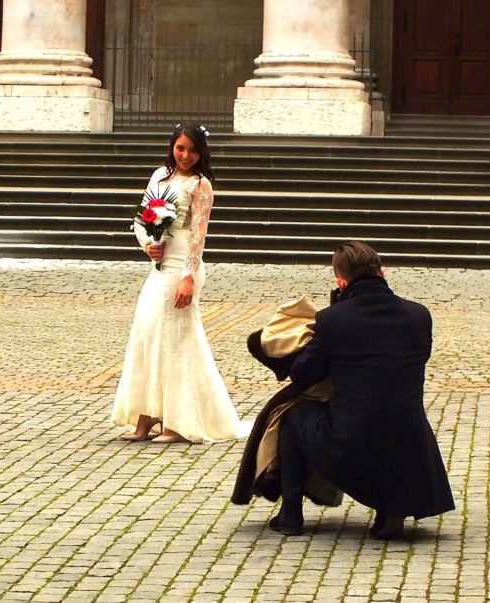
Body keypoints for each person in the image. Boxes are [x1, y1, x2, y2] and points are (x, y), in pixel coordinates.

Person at [269, 241, 454, 538]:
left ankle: (291, 513)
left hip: (352, 439)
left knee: (292, 414)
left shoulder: (333, 320)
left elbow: (303, 374)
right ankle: (391, 510)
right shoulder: (418, 315)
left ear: (341, 282)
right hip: (410, 440)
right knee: (388, 413)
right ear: (382, 272)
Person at [111, 123, 246, 444]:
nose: (185, 155)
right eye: (180, 148)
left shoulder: (201, 185)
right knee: (147, 332)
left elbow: (199, 237)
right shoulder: (159, 176)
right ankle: (147, 415)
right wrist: (147, 243)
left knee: (175, 338)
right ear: (172, 147)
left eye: (193, 150)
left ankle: (176, 419)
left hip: (183, 265)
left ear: (202, 153)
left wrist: (188, 277)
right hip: (160, 264)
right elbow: (142, 218)